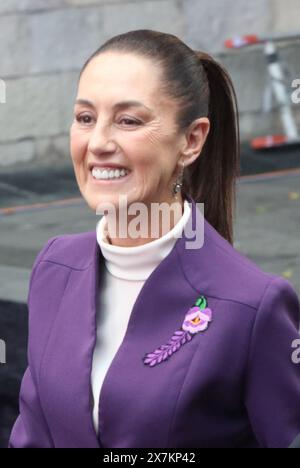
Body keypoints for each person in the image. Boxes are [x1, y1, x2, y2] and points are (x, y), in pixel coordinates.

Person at [8, 29, 300, 448]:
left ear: (192, 140)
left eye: (128, 120)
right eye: (86, 118)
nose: (98, 143)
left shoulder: (254, 305)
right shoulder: (54, 267)